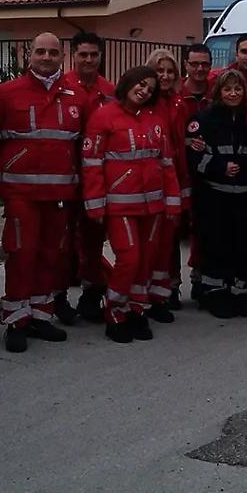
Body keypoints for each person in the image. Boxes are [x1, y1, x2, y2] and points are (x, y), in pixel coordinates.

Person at [0, 33, 86, 352]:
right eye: (40, 51)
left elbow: (80, 145)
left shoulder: (74, 96)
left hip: (58, 194)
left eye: (53, 52)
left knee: (49, 255)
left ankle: (41, 314)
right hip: (21, 193)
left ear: (61, 56)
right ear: (29, 55)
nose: (46, 57)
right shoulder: (6, 93)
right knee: (20, 255)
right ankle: (16, 319)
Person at [83, 66, 181, 343]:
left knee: (146, 262)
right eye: (141, 84)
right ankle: (114, 311)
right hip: (120, 206)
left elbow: (167, 163)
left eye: (150, 88)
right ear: (127, 83)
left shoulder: (155, 118)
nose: (144, 90)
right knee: (129, 258)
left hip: (153, 206)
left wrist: (172, 202)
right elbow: (92, 164)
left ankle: (136, 309)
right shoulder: (103, 116)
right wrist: (95, 204)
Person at [185, 69, 247, 319]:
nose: (233, 93)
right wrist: (219, 167)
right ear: (218, 92)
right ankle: (214, 292)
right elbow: (193, 155)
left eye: (238, 89)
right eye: (228, 89)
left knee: (245, 246)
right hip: (214, 196)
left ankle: (241, 292)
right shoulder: (203, 119)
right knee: (216, 245)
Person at [62, 31, 116, 321]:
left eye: (94, 55)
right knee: (62, 238)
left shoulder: (110, 91)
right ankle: (57, 295)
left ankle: (92, 293)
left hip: (97, 177)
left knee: (94, 238)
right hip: (64, 176)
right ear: (74, 55)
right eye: (83, 54)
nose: (89, 60)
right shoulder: (61, 86)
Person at [146, 48, 190, 317]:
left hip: (176, 175)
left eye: (169, 72)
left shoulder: (179, 103)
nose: (164, 76)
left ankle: (170, 287)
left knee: (170, 237)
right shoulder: (143, 102)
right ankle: (146, 287)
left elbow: (181, 143)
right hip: (150, 178)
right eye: (159, 70)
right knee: (148, 237)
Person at [178, 43, 214, 301]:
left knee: (204, 228)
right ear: (186, 65)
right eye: (195, 64)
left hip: (212, 173)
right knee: (175, 231)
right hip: (180, 172)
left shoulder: (219, 93)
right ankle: (168, 287)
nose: (200, 69)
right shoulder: (175, 95)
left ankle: (200, 278)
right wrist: (184, 142)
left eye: (205, 64)